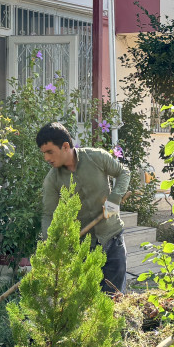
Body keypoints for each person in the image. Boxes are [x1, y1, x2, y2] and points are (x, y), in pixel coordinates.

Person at [36, 121, 130, 294]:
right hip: (84, 247)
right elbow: (48, 215)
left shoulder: (96, 157)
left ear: (65, 146)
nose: (46, 158)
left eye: (50, 152)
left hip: (112, 238)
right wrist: (50, 244)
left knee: (116, 298)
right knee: (89, 304)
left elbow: (123, 172)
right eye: (43, 153)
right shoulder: (52, 180)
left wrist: (114, 197)